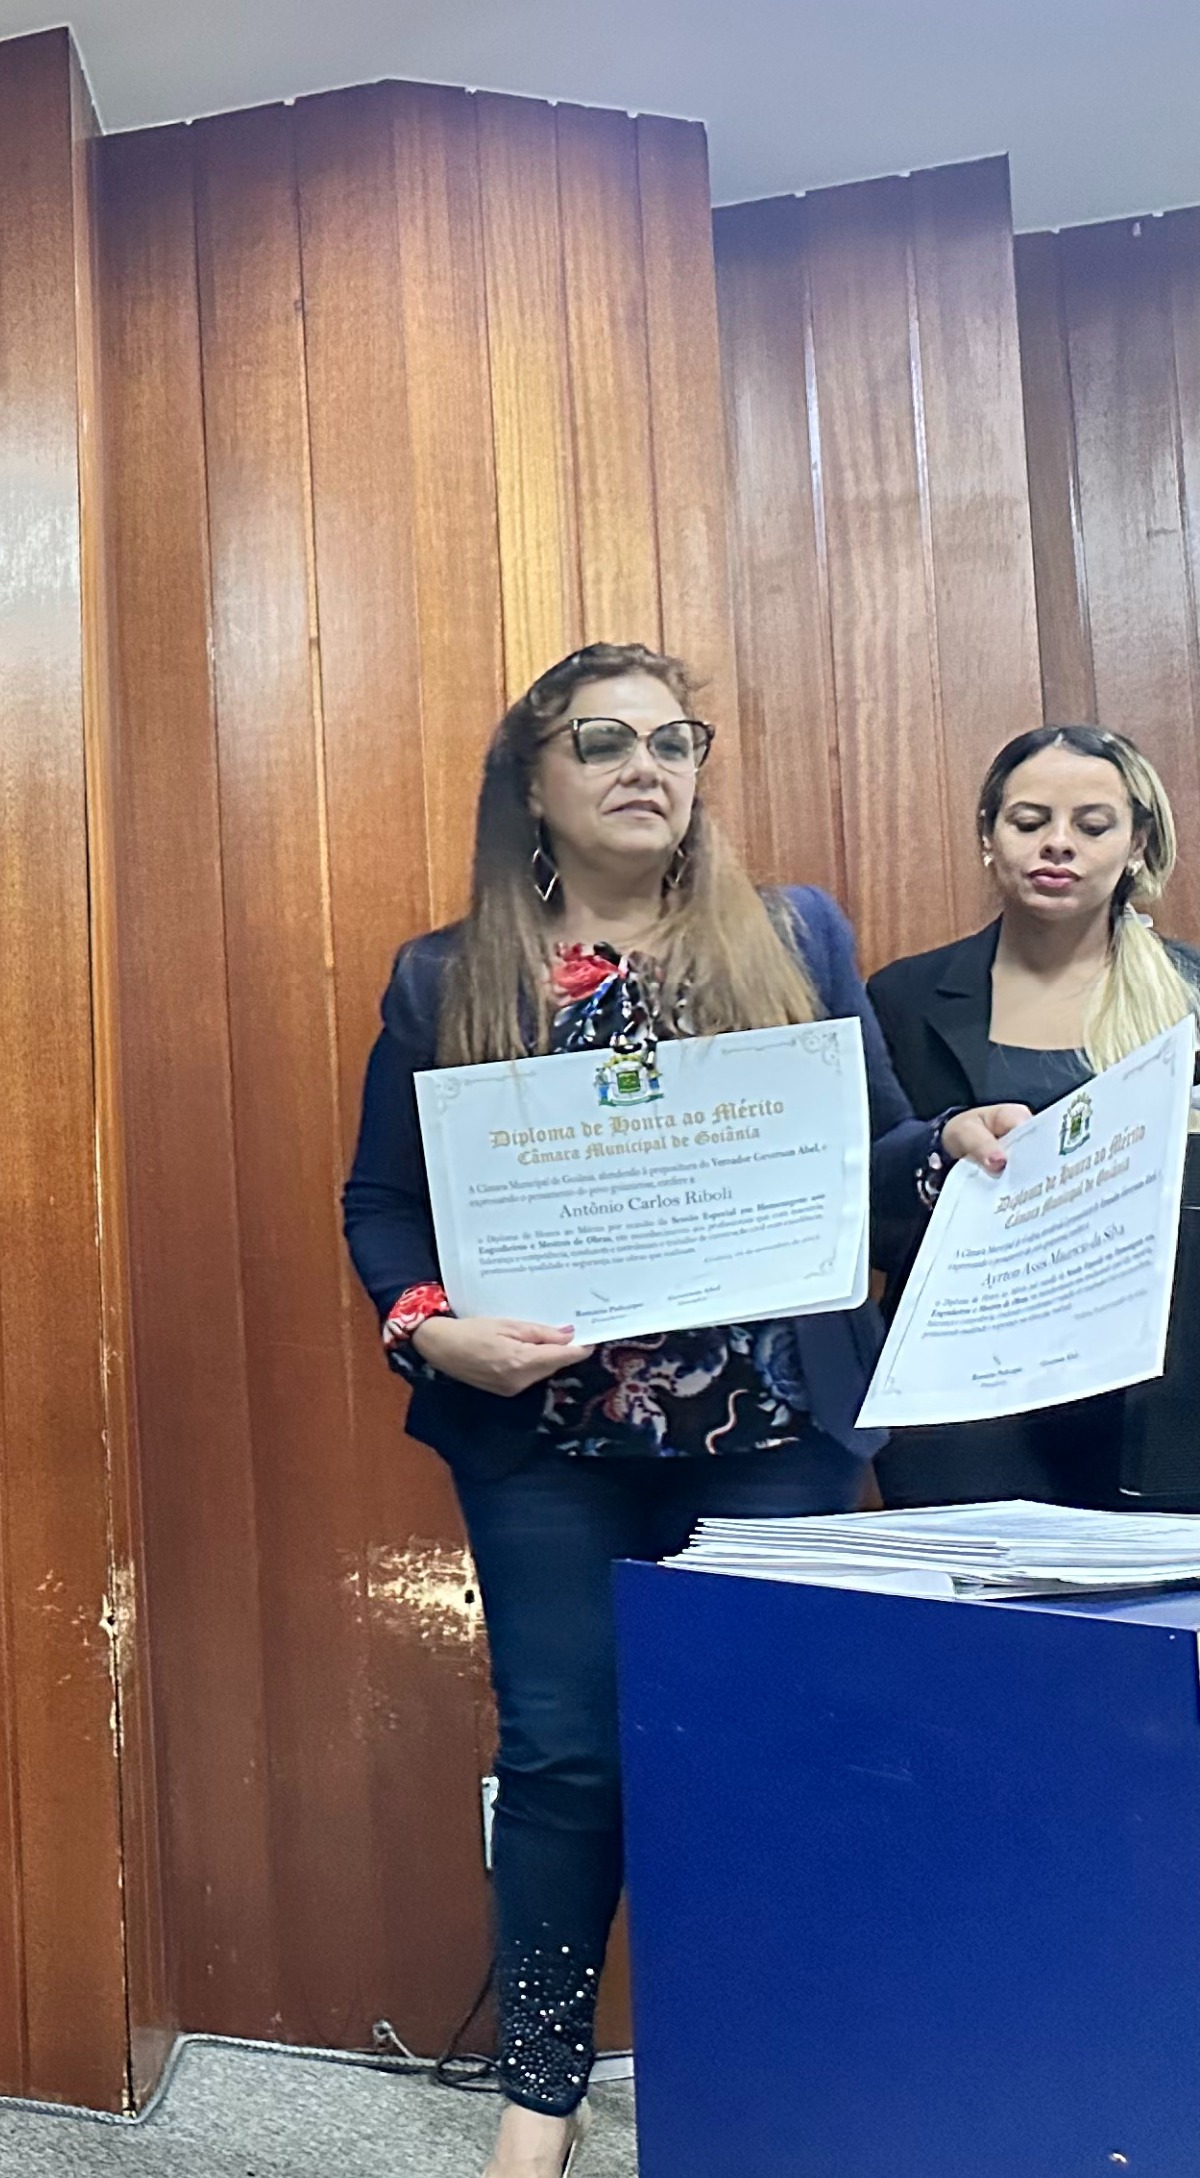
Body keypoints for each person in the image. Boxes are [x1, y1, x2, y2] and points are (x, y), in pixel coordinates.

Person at [337, 642, 986, 2178]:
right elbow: (381, 1204)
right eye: (604, 740)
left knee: (764, 1752)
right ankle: (540, 2095)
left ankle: (758, 2082)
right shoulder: (447, 975)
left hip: (772, 1435)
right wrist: (433, 1329)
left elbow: (869, 1159)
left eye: (675, 738)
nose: (648, 764)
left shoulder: (794, 934)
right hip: (546, 1447)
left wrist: (949, 1145)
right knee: (565, 1758)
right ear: (533, 783)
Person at [866, 724, 1200, 1509]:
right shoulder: (903, 996)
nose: (1059, 844)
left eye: (1093, 825)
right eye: (1029, 821)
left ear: (1137, 845)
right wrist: (940, 1154)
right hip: (966, 1404)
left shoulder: (1193, 995)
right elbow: (868, 1220)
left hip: (1159, 1399)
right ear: (988, 836)